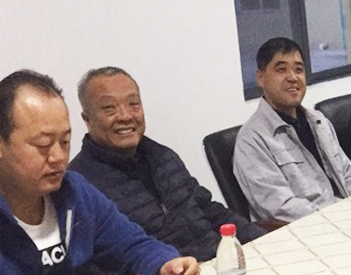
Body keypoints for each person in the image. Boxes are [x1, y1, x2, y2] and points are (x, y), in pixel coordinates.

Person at [0, 70, 200, 275]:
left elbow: (132, 245)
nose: (58, 157)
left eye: (65, 141)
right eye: (42, 145)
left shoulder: (74, 191)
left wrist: (166, 266)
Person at [69, 67, 267, 261]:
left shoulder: (162, 156)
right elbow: (99, 264)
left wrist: (263, 241)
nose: (125, 116)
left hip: (217, 262)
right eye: (109, 108)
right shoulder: (79, 185)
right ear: (87, 119)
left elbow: (209, 210)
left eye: (133, 104)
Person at [234, 37, 351, 223]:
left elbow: (348, 178)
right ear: (261, 78)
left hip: (349, 216)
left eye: (298, 69)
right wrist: (340, 217)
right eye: (281, 70)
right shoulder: (252, 141)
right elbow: (280, 208)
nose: (293, 77)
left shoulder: (319, 121)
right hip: (312, 228)